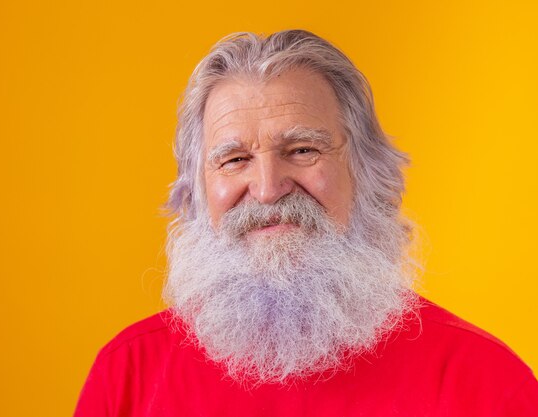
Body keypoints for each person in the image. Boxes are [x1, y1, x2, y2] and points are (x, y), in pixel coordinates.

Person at [74, 30, 538, 416]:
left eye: (302, 150)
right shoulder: (128, 376)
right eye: (235, 159)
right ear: (196, 190)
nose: (268, 187)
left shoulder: (486, 385)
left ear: (366, 171)